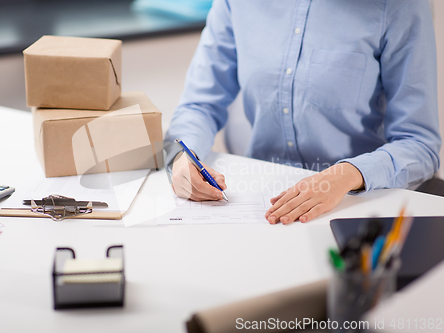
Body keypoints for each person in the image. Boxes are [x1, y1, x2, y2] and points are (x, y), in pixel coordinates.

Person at [164, 0, 441, 224]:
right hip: (261, 203)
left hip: (356, 207)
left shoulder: (401, 7)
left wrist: (346, 175)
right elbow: (199, 104)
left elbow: (420, 144)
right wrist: (183, 157)